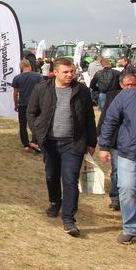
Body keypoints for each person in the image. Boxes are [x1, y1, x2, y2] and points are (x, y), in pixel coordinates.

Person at [27, 57, 96, 237]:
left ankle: (68, 219)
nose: (69, 75)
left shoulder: (81, 90)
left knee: (70, 179)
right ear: (55, 72)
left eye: (72, 71)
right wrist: (37, 133)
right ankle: (55, 202)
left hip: (73, 142)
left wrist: (91, 142)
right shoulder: (41, 89)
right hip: (49, 142)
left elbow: (89, 116)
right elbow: (31, 112)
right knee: (51, 175)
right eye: (65, 72)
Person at [98, 65, 136, 244]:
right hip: (130, 153)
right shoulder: (128, 96)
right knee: (127, 189)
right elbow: (110, 120)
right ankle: (131, 228)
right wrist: (104, 146)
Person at [97, 71, 136, 211]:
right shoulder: (113, 96)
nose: (130, 88)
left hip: (133, 141)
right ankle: (115, 198)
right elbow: (105, 118)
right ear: (121, 84)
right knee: (116, 170)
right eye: (127, 85)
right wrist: (100, 137)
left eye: (133, 85)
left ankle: (129, 195)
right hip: (115, 140)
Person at [12, 59, 43, 153]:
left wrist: (15, 104)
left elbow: (15, 93)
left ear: (21, 67)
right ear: (30, 66)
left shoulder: (17, 78)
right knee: (36, 124)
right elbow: (42, 90)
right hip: (36, 104)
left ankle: (26, 145)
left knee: (23, 125)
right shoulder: (38, 76)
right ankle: (34, 142)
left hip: (22, 104)